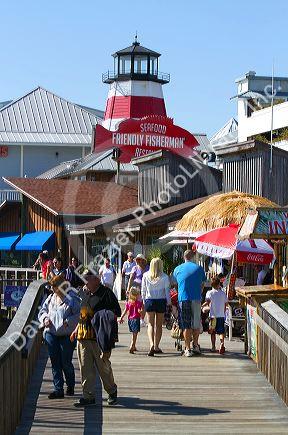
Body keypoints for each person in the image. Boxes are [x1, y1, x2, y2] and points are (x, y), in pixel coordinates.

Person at [71, 272, 121, 407]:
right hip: (83, 335)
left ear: (97, 279)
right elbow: (82, 314)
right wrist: (76, 329)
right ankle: (88, 396)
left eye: (87, 278)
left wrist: (102, 317)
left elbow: (117, 312)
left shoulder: (106, 293)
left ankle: (112, 391)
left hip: (99, 337)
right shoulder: (84, 293)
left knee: (103, 366)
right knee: (85, 367)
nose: (84, 281)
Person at [38, 275, 80, 399]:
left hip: (66, 335)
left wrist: (69, 320)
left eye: (54, 286)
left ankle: (70, 385)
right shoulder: (50, 298)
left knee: (65, 362)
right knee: (55, 361)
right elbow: (42, 311)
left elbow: (79, 314)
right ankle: (58, 389)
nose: (51, 288)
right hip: (51, 333)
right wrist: (45, 318)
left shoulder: (72, 298)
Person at [173, 250, 206, 357]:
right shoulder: (199, 269)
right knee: (196, 323)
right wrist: (199, 290)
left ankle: (187, 348)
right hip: (196, 298)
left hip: (183, 298)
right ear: (193, 257)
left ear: (184, 257)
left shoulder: (177, 269)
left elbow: (175, 283)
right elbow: (203, 284)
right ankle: (195, 345)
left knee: (186, 325)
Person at [141, 258, 171, 356]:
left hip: (149, 300)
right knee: (159, 325)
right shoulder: (165, 277)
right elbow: (167, 292)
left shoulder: (145, 275)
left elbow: (143, 290)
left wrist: (144, 301)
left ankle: (151, 344)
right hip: (161, 301)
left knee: (150, 324)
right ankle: (156, 346)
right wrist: (169, 303)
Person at [202, 277, 228, 354]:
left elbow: (207, 301)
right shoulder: (223, 293)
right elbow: (226, 304)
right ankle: (221, 344)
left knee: (212, 332)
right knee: (221, 332)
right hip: (221, 315)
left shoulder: (209, 293)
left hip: (213, 316)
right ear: (219, 284)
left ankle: (213, 347)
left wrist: (202, 306)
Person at [119, 287, 143, 354]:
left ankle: (134, 346)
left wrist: (121, 318)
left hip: (130, 320)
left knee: (133, 333)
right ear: (137, 295)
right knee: (135, 334)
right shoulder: (138, 302)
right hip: (136, 319)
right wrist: (141, 315)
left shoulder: (129, 302)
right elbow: (139, 310)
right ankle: (132, 345)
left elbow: (125, 310)